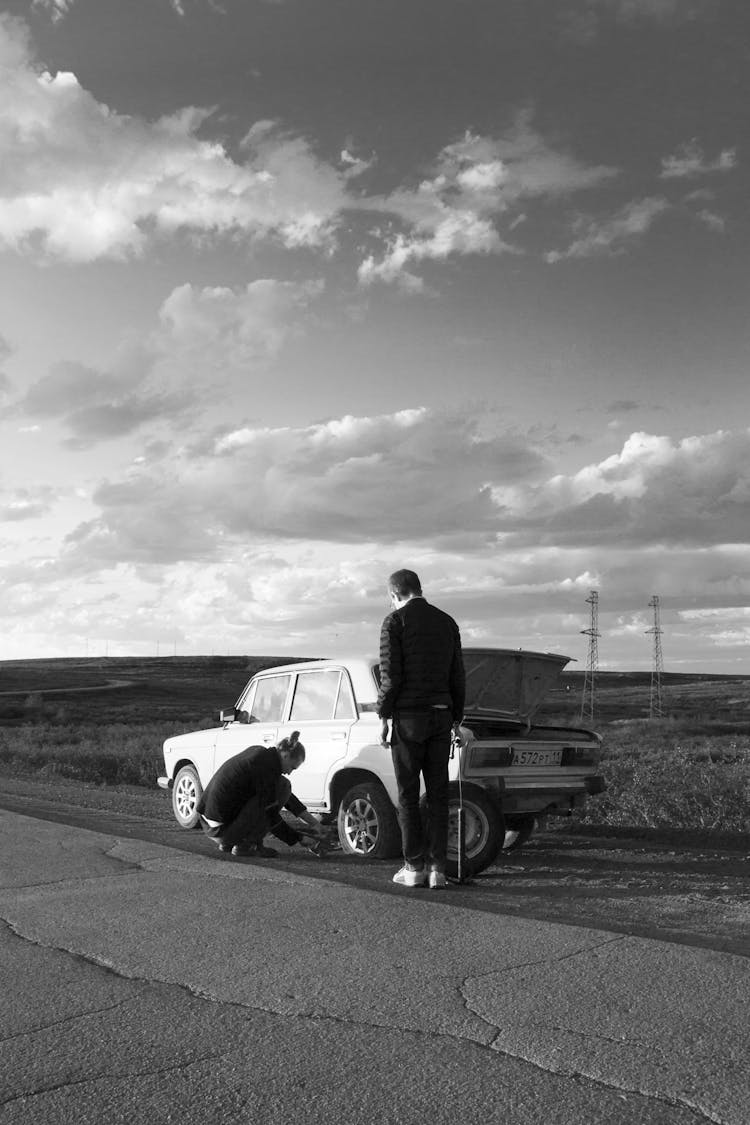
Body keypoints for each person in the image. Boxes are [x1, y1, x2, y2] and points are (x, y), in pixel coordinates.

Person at [377, 569, 465, 889]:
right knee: (439, 796)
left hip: (408, 719)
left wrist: (383, 715)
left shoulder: (394, 622)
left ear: (395, 594)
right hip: (442, 717)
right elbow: (458, 675)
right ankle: (438, 870)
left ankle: (413, 868)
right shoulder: (447, 622)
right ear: (418, 589)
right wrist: (457, 719)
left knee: (409, 796)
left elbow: (391, 677)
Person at [197, 731, 327, 858]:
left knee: (280, 788)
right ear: (285, 755)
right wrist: (299, 838)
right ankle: (247, 845)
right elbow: (270, 815)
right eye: (292, 767)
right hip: (222, 832)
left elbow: (290, 801)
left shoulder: (259, 754)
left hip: (209, 824)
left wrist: (315, 824)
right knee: (283, 786)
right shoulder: (264, 768)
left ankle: (231, 843)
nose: (289, 772)